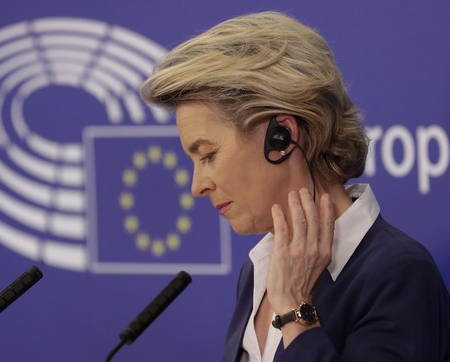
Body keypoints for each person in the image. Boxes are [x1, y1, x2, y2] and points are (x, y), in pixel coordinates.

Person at [140, 11, 450, 362]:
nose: (197, 186)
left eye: (208, 155)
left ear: (282, 135)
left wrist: (293, 309)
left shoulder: (399, 274)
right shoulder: (258, 269)